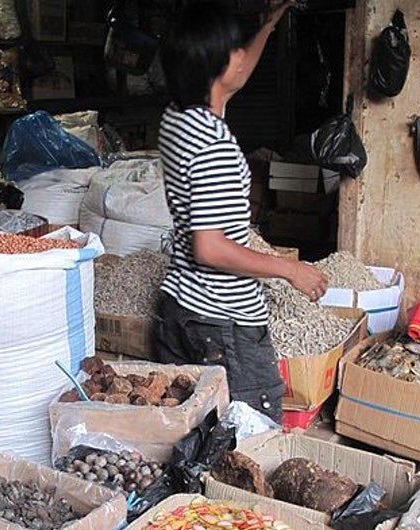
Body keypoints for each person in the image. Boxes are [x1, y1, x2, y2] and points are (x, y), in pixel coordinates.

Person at [155, 0, 325, 423]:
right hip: (223, 323)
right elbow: (210, 247)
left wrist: (268, 25)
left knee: (190, 428)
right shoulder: (214, 145)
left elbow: (237, 73)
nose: (240, 57)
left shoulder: (177, 118)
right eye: (233, 51)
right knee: (252, 433)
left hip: (181, 308)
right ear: (214, 67)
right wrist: (290, 270)